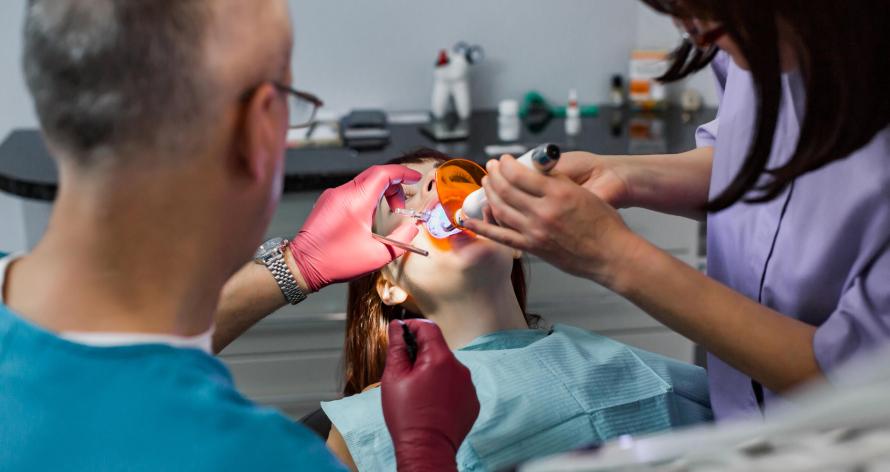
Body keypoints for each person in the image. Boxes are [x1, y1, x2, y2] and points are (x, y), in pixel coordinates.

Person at [0, 1, 477, 470]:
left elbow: (101, 377)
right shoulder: (267, 458)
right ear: (261, 129)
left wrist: (298, 265)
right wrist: (427, 454)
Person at [464, 0, 890, 421]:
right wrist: (626, 174)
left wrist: (612, 256)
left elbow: (855, 378)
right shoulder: (739, 35)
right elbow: (752, 162)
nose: (692, 30)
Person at [319, 150, 712, 471]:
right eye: (403, 199)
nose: (438, 190)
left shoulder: (632, 370)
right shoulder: (366, 425)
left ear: (514, 242)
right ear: (388, 285)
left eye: (448, 179)